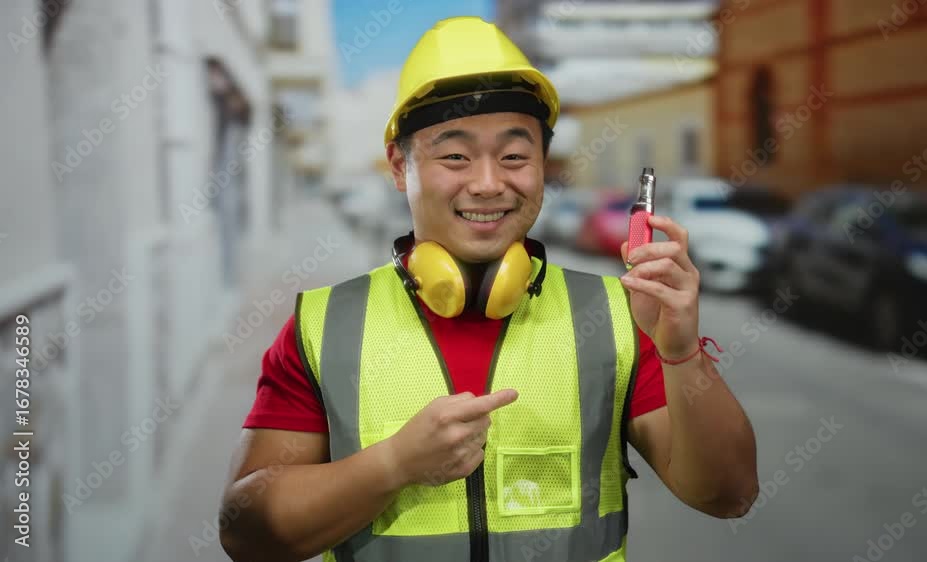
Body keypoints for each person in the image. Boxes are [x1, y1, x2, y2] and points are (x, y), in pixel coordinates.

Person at [219, 16, 758, 562]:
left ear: (543, 167)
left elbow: (729, 495)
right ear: (400, 167)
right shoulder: (325, 325)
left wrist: (680, 350)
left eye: (514, 156)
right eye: (454, 155)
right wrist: (394, 466)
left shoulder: (619, 315)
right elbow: (246, 533)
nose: (487, 183)